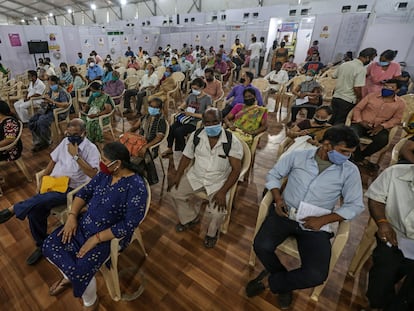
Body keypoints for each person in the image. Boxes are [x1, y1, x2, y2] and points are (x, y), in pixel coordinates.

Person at [247, 125, 363, 309]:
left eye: (350, 153)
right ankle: (284, 282)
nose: (347, 156)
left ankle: (272, 282)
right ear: (327, 145)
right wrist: (277, 199)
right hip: (285, 213)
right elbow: (274, 175)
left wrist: (323, 220)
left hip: (315, 223)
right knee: (261, 245)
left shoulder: (349, 171)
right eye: (343, 151)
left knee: (316, 274)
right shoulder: (299, 156)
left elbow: (355, 205)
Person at [42, 142, 148, 310]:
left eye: (104, 160)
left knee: (81, 269)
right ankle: (68, 275)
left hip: (108, 235)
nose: (100, 163)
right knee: (49, 245)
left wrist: (96, 239)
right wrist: (72, 217)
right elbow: (84, 193)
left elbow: (129, 224)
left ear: (117, 163)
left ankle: (90, 301)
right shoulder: (104, 175)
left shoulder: (136, 187)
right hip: (85, 223)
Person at [0, 119, 100, 265]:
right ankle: (42, 245)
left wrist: (76, 155)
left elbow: (93, 174)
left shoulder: (91, 149)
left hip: (72, 189)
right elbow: (53, 160)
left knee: (38, 204)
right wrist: (43, 177)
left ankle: (13, 209)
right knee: (35, 211)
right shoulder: (65, 142)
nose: (71, 137)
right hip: (55, 183)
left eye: (76, 134)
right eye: (69, 133)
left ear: (84, 133)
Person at [168, 108, 243, 248]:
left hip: (218, 182)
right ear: (203, 123)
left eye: (215, 121)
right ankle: (191, 218)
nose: (211, 125)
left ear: (221, 121)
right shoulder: (196, 136)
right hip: (196, 176)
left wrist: (222, 191)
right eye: (207, 122)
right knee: (175, 192)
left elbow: (236, 170)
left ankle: (212, 233)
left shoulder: (232, 141)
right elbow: (186, 156)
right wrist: (177, 176)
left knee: (217, 212)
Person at [365, 164, 414, 311]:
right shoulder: (395, 173)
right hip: (394, 236)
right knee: (382, 276)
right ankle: (377, 305)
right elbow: (376, 199)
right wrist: (382, 222)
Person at [351, 79, 405, 169]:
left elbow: (397, 119)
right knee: (351, 133)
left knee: (383, 139)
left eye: (391, 87)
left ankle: (360, 157)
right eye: (385, 86)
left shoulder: (400, 103)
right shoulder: (372, 96)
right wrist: (360, 121)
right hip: (362, 124)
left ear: (397, 90)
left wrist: (382, 126)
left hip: (378, 127)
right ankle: (359, 158)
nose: (386, 88)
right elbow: (358, 108)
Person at [161, 78, 212, 157]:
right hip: (186, 119)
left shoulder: (207, 99)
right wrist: (180, 108)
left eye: (196, 89)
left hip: (196, 122)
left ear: (202, 88)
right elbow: (183, 105)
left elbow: (207, 115)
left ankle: (185, 150)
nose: (193, 90)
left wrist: (192, 115)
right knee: (171, 128)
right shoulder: (191, 95)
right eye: (192, 88)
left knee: (179, 131)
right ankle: (169, 148)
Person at [330, 47, 377, 125]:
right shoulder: (361, 69)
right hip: (347, 100)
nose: (370, 61)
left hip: (336, 97)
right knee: (339, 123)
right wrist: (360, 99)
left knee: (331, 120)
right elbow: (357, 87)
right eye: (371, 59)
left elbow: (333, 76)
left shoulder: (344, 64)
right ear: (368, 57)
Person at [29, 75, 70, 152]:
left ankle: (46, 141)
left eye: (51, 84)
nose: (50, 85)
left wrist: (52, 101)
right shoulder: (51, 91)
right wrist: (46, 99)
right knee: (32, 120)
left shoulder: (61, 92)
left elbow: (65, 104)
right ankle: (38, 141)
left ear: (56, 83)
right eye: (49, 84)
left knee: (41, 121)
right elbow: (48, 97)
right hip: (48, 110)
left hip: (57, 112)